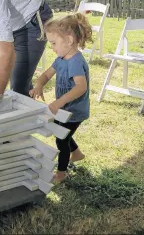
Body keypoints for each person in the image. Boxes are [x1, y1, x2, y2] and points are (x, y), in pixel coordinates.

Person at [29, 12, 92, 183]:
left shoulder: (76, 62)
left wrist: (59, 102)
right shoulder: (61, 59)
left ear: (70, 40)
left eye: (54, 43)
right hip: (64, 109)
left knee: (61, 139)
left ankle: (61, 173)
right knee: (62, 133)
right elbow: (46, 75)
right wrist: (39, 85)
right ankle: (77, 154)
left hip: (75, 111)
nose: (52, 47)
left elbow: (81, 87)